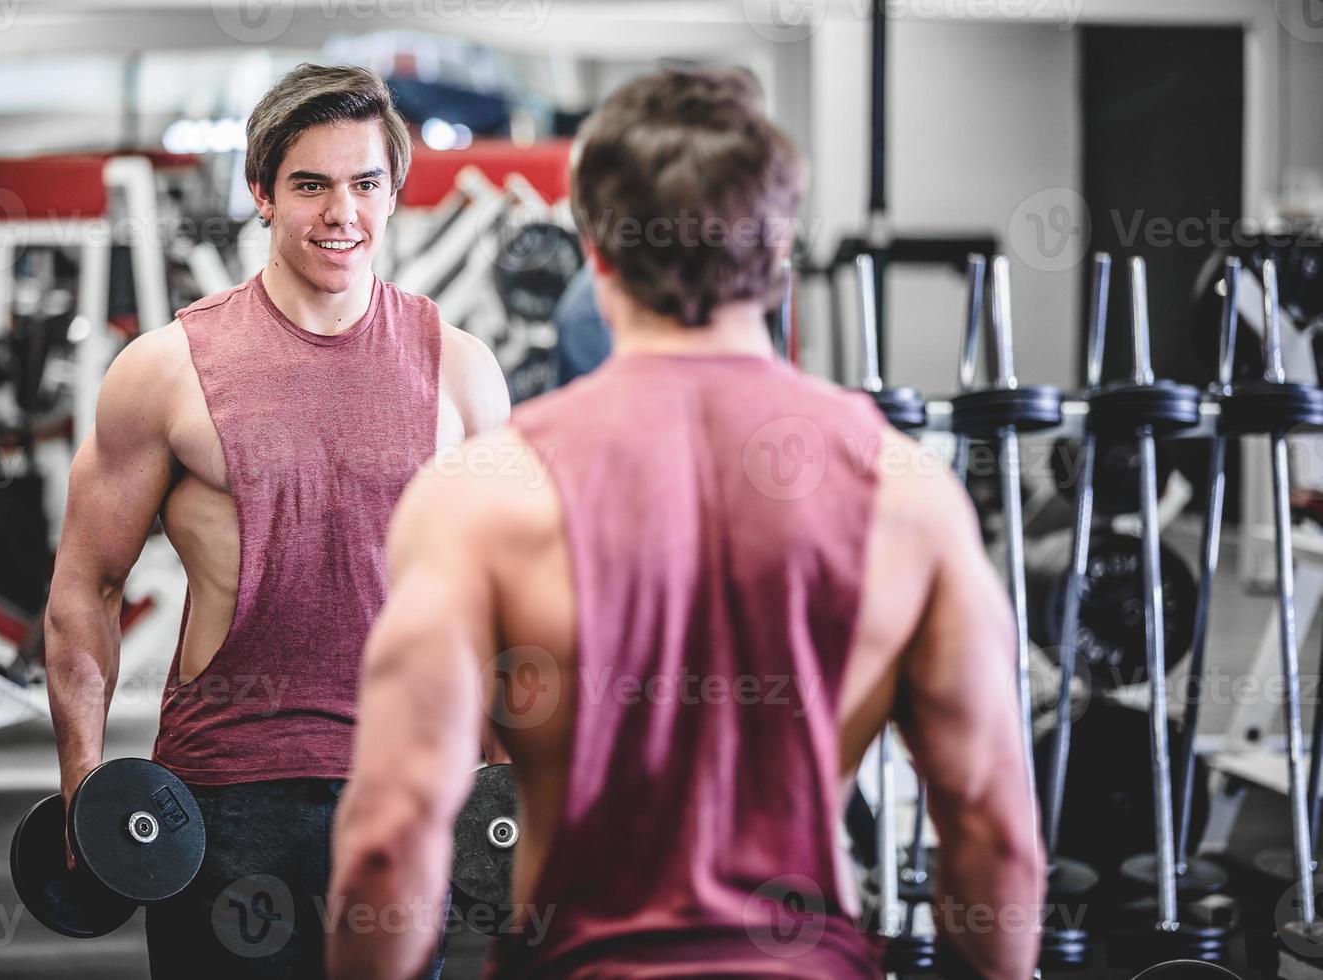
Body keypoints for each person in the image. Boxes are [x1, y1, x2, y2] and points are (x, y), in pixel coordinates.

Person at [326, 68, 1044, 979]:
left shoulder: (485, 494)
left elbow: (390, 839)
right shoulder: (906, 493)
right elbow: (992, 830)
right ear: (780, 247)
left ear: (594, 250)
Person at [43, 63, 508, 979]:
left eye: (366, 183)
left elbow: (503, 598)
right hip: (223, 799)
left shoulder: (460, 370)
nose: (344, 213)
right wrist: (82, 788)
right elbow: (83, 588)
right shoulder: (165, 369)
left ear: (393, 191)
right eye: (312, 184)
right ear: (261, 191)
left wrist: (502, 784)